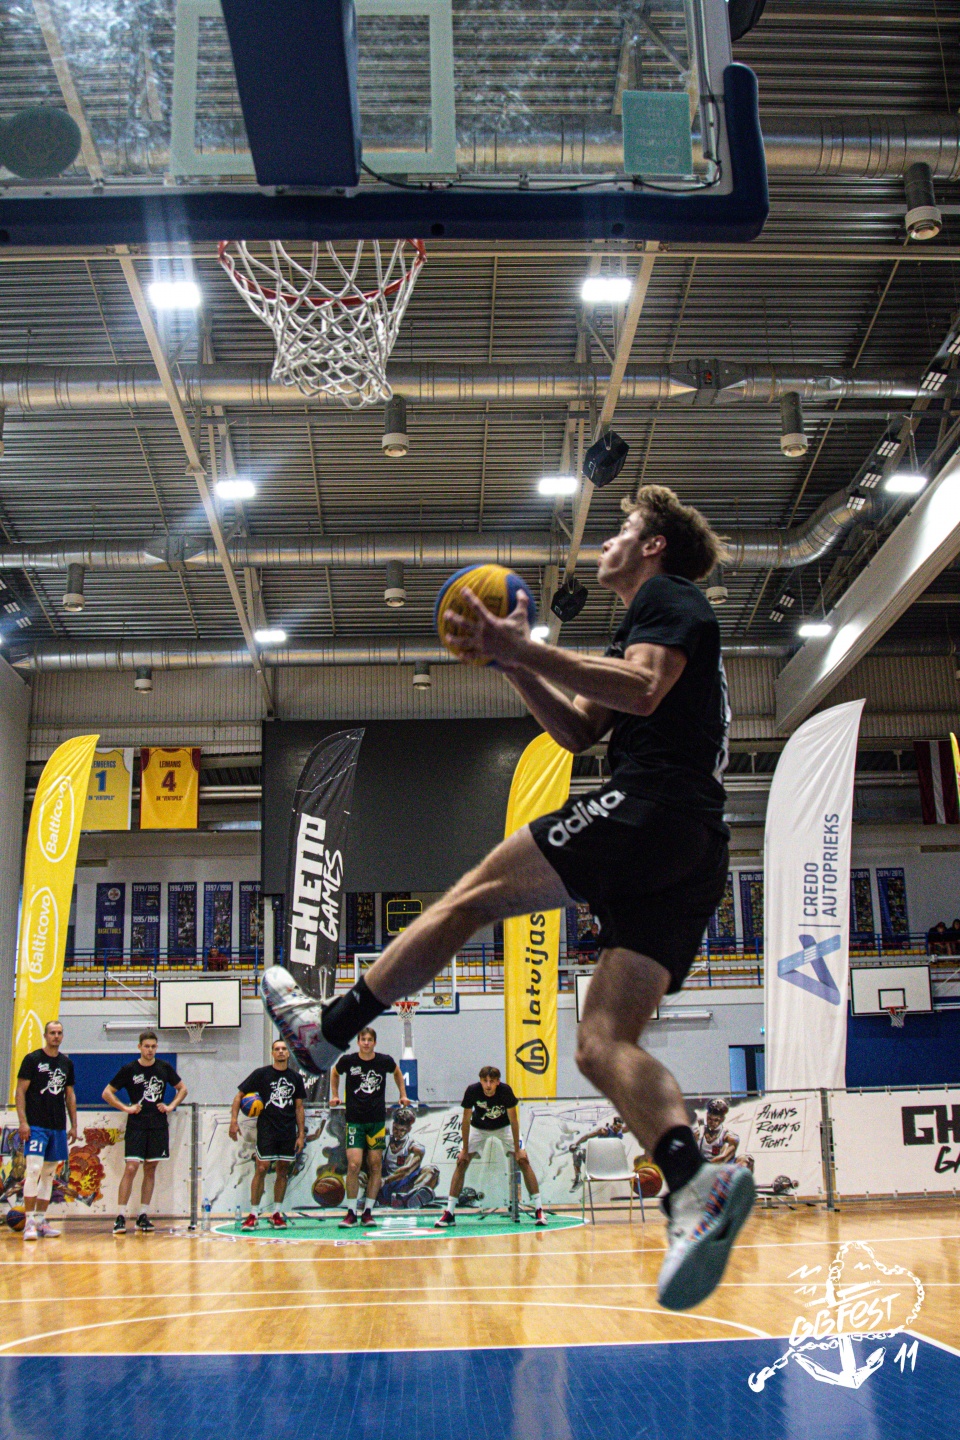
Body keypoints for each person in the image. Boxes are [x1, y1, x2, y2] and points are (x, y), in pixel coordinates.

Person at [262, 484, 755, 1310]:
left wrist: (522, 644)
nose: (608, 540)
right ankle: (691, 1179)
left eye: (623, 527)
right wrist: (514, 661)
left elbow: (639, 691)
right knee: (600, 1043)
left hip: (653, 805)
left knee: (469, 898)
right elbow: (580, 729)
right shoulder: (647, 624)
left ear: (655, 545)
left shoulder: (668, 597)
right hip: (692, 846)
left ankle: (327, 1031)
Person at [435, 1065, 545, 1227]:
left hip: (504, 1127)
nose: (488, 1085)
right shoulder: (472, 1091)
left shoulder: (505, 1091)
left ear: (497, 1082)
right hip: (479, 1128)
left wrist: (518, 1149)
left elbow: (513, 1120)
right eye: (485, 1081)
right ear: (480, 1081)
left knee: (523, 1160)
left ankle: (539, 1209)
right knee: (461, 1162)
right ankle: (450, 1213)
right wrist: (464, 1150)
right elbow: (465, 1120)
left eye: (491, 1081)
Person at [103, 1030, 187, 1234]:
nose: (150, 1050)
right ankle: (120, 1216)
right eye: (146, 1046)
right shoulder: (129, 1069)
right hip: (137, 1124)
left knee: (150, 1169)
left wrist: (170, 1106)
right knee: (131, 1167)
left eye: (153, 1046)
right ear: (139, 1047)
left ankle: (142, 1215)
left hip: (158, 1124)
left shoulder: (164, 1067)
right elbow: (107, 1093)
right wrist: (126, 1108)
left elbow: (182, 1089)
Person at [329, 1027, 407, 1228]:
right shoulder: (348, 1061)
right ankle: (351, 1212)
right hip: (354, 1121)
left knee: (375, 1165)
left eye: (369, 1039)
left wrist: (403, 1094)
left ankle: (368, 1212)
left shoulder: (384, 1061)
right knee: (354, 1165)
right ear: (358, 1042)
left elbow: (397, 1073)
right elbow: (334, 1072)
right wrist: (335, 1095)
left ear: (374, 1042)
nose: (366, 1042)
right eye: (363, 1039)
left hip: (376, 1122)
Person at [230, 1039, 306, 1229]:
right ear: (272, 1053)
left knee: (283, 1170)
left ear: (288, 1053)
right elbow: (239, 1096)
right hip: (267, 1130)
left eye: (284, 1049)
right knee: (262, 1168)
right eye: (277, 1049)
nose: (280, 1052)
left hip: (287, 1131)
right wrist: (233, 1121)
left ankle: (277, 1213)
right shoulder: (261, 1074)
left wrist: (301, 1135)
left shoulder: (296, 1078)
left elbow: (299, 1107)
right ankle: (253, 1214)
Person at [15, 1020, 77, 1241]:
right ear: (45, 1035)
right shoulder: (32, 1059)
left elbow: (69, 1095)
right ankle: (29, 1221)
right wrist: (23, 1122)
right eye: (52, 1033)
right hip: (36, 1125)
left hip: (57, 1125)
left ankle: (41, 1220)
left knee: (49, 1174)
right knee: (33, 1169)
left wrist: (74, 1125)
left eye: (59, 1033)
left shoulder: (66, 1063)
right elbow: (20, 1091)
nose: (56, 1036)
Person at [379, 1105, 440, 1209]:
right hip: (384, 1186)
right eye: (395, 1129)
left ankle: (408, 1198)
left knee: (432, 1171)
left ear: (409, 1129)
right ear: (393, 1125)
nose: (398, 1133)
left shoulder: (415, 1147)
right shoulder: (384, 1140)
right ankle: (401, 1200)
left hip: (403, 1186)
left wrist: (385, 1180)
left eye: (402, 1130)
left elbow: (407, 1170)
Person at [568, 1115, 627, 1191]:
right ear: (613, 1125)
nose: (618, 1129)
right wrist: (576, 1144)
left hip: (610, 1162)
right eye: (617, 1127)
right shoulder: (604, 1131)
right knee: (578, 1152)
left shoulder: (621, 1131)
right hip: (598, 1160)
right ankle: (578, 1179)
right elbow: (588, 1136)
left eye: (620, 1127)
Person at [694, 1098, 740, 1165]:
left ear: (722, 1119)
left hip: (718, 1168)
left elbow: (724, 1158)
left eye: (716, 1120)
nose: (712, 1122)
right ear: (706, 1115)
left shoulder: (730, 1136)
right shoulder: (697, 1132)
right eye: (709, 1119)